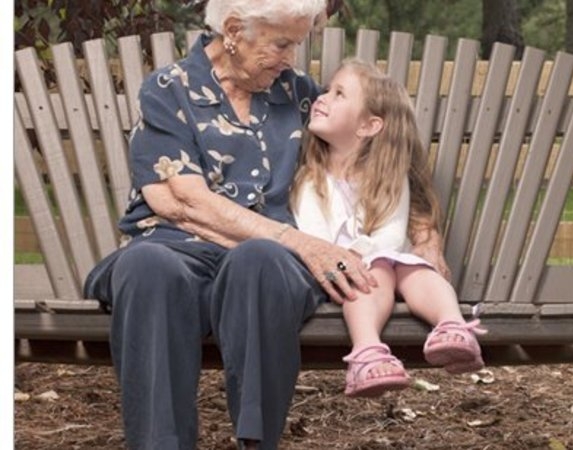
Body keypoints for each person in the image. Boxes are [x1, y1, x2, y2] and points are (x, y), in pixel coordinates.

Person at [82, 1, 449, 448]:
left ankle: (257, 442)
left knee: (258, 259)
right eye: (282, 43)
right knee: (147, 269)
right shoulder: (169, 90)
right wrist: (302, 242)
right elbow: (181, 200)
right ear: (234, 30)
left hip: (271, 267)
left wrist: (427, 239)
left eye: (296, 44)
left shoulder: (296, 95)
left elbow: (392, 150)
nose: (291, 59)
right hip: (177, 250)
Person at [290, 59, 487, 399]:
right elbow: (315, 240)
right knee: (380, 268)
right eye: (326, 90)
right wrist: (358, 260)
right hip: (335, 274)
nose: (322, 99)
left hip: (384, 266)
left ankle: (452, 327)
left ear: (369, 125)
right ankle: (366, 353)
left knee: (418, 269)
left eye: (338, 94)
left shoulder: (389, 179)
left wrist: (369, 256)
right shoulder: (310, 180)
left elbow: (393, 236)